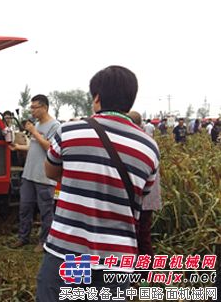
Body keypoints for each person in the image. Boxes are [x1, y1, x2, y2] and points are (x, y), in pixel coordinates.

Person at [36, 66, 160, 301]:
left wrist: (80, 176)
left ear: (97, 98)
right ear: (130, 100)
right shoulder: (148, 147)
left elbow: (51, 171)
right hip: (116, 261)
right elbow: (143, 193)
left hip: (69, 253)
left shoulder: (69, 131)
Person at [9, 95, 60, 252]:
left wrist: (33, 131)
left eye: (34, 107)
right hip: (29, 174)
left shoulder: (55, 126)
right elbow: (34, 146)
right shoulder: (37, 124)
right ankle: (23, 237)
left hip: (44, 176)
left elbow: (50, 148)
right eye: (31, 107)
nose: (32, 110)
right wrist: (18, 147)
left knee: (45, 211)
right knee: (25, 208)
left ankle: (44, 241)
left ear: (44, 107)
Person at [127, 111, 162, 256]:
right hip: (147, 197)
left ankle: (145, 273)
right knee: (141, 236)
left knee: (141, 237)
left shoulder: (137, 142)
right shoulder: (147, 141)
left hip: (143, 197)